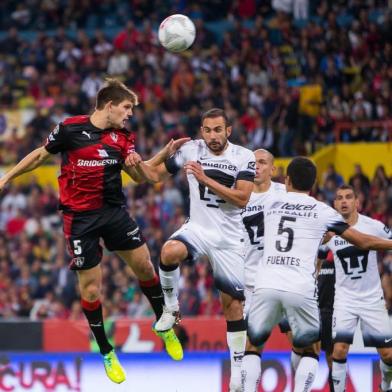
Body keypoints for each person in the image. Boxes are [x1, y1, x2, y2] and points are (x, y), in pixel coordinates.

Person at [0, 79, 186, 384]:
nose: (129, 114)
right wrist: (7, 176)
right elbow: (39, 156)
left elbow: (142, 176)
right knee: (90, 291)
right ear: (109, 105)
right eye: (126, 107)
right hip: (79, 220)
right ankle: (107, 352)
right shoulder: (70, 129)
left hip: (113, 212)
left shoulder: (123, 137)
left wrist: (156, 158)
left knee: (144, 266)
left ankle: (164, 325)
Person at [126, 108, 256, 392]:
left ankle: (237, 373)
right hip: (198, 228)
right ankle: (171, 309)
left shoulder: (244, 156)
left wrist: (204, 178)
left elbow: (243, 198)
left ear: (228, 131)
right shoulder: (191, 150)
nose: (212, 136)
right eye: (207, 130)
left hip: (230, 238)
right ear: (201, 130)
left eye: (217, 130)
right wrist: (147, 159)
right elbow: (152, 176)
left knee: (232, 306)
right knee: (169, 252)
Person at [244, 157, 392, 392]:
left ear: (287, 180)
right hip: (300, 287)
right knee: (311, 350)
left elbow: (251, 193)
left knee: (252, 346)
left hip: (265, 283)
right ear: (313, 185)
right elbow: (362, 241)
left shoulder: (270, 201)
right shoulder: (322, 211)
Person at [320, 185, 392, 392]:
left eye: (349, 197)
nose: (344, 201)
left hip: (372, 300)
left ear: (357, 203)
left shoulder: (373, 226)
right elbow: (317, 256)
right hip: (344, 301)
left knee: (388, 355)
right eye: (339, 197)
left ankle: (386, 385)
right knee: (339, 351)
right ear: (334, 204)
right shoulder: (330, 232)